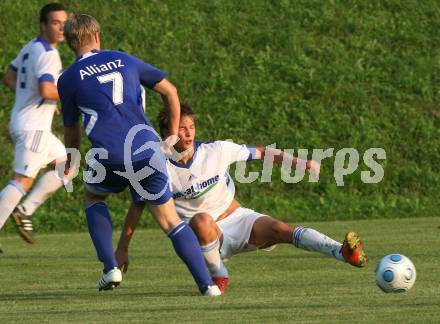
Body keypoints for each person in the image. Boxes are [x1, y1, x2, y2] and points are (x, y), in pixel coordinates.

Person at [115, 104, 368, 294]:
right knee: (202, 220)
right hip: (207, 237)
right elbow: (137, 206)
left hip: (238, 219)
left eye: (191, 127)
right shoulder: (158, 167)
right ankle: (218, 275)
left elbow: (261, 152)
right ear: (168, 132)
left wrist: (300, 163)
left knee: (282, 229)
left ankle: (341, 252)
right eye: (181, 128)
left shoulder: (216, 150)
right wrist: (123, 248)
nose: (188, 133)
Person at [58, 14, 220, 296]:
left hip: (109, 154)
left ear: (71, 43)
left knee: (93, 196)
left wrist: (72, 160)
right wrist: (171, 135)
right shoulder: (124, 59)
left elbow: (72, 130)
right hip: (149, 149)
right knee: (171, 222)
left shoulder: (69, 78)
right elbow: (170, 91)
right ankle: (208, 287)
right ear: (97, 36)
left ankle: (110, 267)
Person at [0, 3, 68, 244]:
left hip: (29, 124)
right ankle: (21, 210)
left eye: (64, 22)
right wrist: (68, 95)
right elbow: (47, 88)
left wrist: (37, 99)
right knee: (21, 181)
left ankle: (25, 211)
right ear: (43, 25)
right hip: (34, 129)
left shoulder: (31, 47)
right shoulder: (49, 54)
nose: (62, 27)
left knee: (67, 166)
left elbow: (9, 76)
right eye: (55, 23)